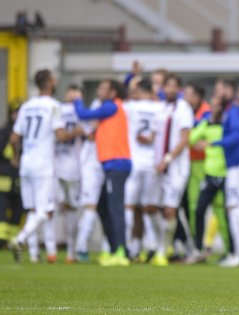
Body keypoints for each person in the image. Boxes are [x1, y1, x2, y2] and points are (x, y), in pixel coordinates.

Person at [9, 69, 83, 263]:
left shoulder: (26, 106)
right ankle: (20, 239)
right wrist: (77, 131)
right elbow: (60, 135)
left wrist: (16, 156)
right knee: (44, 210)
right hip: (44, 164)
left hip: (26, 163)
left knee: (32, 210)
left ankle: (34, 256)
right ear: (50, 83)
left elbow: (14, 137)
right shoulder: (53, 106)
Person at [74, 79, 132, 267]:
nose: (99, 91)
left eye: (102, 89)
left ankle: (121, 251)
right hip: (109, 165)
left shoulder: (111, 107)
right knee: (102, 207)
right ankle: (116, 249)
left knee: (116, 209)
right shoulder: (111, 107)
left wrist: (77, 99)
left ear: (113, 92)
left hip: (117, 164)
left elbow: (83, 114)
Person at [149, 73, 193, 267]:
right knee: (152, 208)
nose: (170, 90)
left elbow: (184, 139)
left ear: (179, 89)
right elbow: (154, 137)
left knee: (170, 209)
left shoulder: (184, 109)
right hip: (159, 166)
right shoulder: (160, 109)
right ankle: (165, 245)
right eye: (167, 86)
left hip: (176, 167)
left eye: (174, 86)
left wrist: (168, 159)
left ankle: (163, 249)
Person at [211, 80, 239, 268]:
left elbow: (236, 136)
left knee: (235, 207)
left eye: (220, 90)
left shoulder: (234, 111)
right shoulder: (230, 110)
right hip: (236, 165)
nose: (217, 93)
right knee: (235, 207)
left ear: (229, 90)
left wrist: (215, 144)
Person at [186, 93, 231, 264]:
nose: (213, 108)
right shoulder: (207, 123)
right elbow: (191, 139)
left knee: (223, 213)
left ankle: (230, 250)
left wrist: (212, 144)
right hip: (210, 173)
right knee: (199, 210)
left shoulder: (228, 124)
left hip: (225, 173)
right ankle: (198, 248)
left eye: (216, 105)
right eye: (212, 104)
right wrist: (199, 143)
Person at [123, 79, 164, 261]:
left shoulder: (130, 106)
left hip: (134, 161)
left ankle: (131, 248)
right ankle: (152, 245)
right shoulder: (161, 108)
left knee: (130, 207)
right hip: (153, 163)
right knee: (150, 207)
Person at [74, 98, 109, 263]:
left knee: (108, 209)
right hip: (91, 168)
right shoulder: (92, 131)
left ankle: (107, 248)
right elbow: (89, 136)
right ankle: (81, 247)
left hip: (105, 166)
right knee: (90, 207)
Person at [55, 85, 84, 263]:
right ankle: (67, 249)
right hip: (66, 166)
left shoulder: (57, 109)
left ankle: (66, 249)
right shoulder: (82, 112)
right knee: (68, 208)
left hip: (67, 166)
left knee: (64, 208)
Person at [0, 107, 24, 250]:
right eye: (15, 113)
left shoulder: (26, 132)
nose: (17, 116)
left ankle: (13, 240)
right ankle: (0, 238)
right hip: (3, 177)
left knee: (18, 210)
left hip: (18, 177)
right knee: (2, 209)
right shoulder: (3, 131)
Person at [183, 84, 211, 240]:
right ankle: (196, 242)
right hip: (190, 161)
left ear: (197, 97)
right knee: (192, 204)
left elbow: (194, 134)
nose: (184, 97)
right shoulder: (184, 110)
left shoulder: (207, 112)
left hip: (206, 162)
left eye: (188, 94)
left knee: (213, 205)